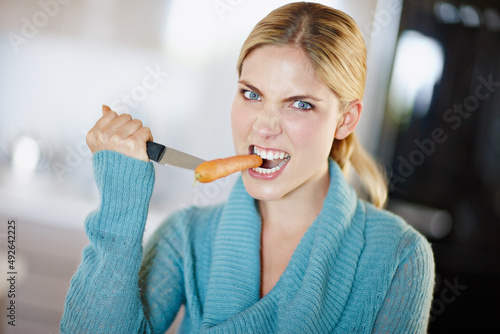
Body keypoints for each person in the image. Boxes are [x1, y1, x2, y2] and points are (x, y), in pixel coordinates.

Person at [61, 2, 435, 333]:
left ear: (346, 120)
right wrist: (119, 205)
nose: (264, 126)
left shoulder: (398, 257)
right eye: (251, 94)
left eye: (300, 104)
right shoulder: (188, 236)